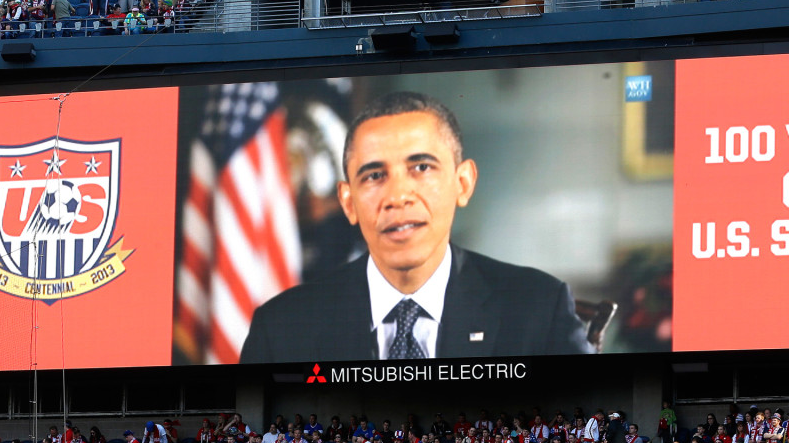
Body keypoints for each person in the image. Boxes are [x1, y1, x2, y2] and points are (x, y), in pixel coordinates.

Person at [240, 91, 594, 363]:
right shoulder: (281, 328)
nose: (398, 196)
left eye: (421, 168)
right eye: (375, 175)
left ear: (463, 182)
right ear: (348, 202)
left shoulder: (537, 308)